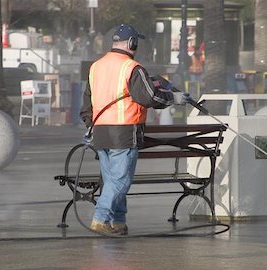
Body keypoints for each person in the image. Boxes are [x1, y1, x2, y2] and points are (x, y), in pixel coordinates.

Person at [80, 24, 189, 235]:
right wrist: (174, 98)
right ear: (132, 43)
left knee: (111, 181)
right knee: (120, 181)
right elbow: (149, 97)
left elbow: (87, 103)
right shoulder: (132, 68)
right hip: (124, 132)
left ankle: (118, 221)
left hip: (100, 132)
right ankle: (100, 218)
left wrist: (90, 124)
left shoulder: (96, 67)